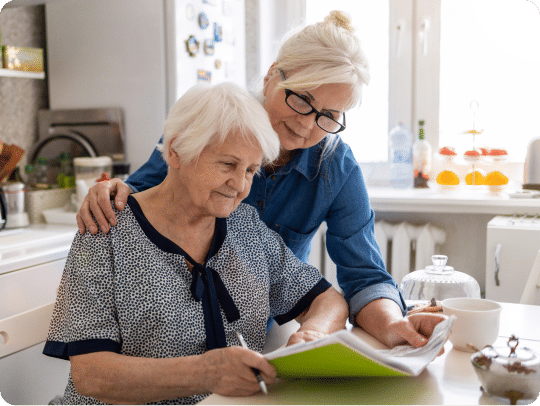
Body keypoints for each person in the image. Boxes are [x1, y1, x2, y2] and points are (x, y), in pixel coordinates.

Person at [76, 11, 446, 350]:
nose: (305, 124)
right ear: (272, 75)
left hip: (257, 334)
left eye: (329, 115)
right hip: (168, 333)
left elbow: (364, 276)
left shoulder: (336, 167)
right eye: (302, 99)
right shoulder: (212, 124)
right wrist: (111, 192)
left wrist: (393, 324)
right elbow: (142, 198)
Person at [44, 82, 349, 405]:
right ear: (176, 151)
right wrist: (206, 373)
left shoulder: (246, 228)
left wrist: (312, 334)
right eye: (228, 165)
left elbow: (328, 301)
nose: (239, 185)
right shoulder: (105, 229)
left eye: (251, 170)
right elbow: (91, 375)